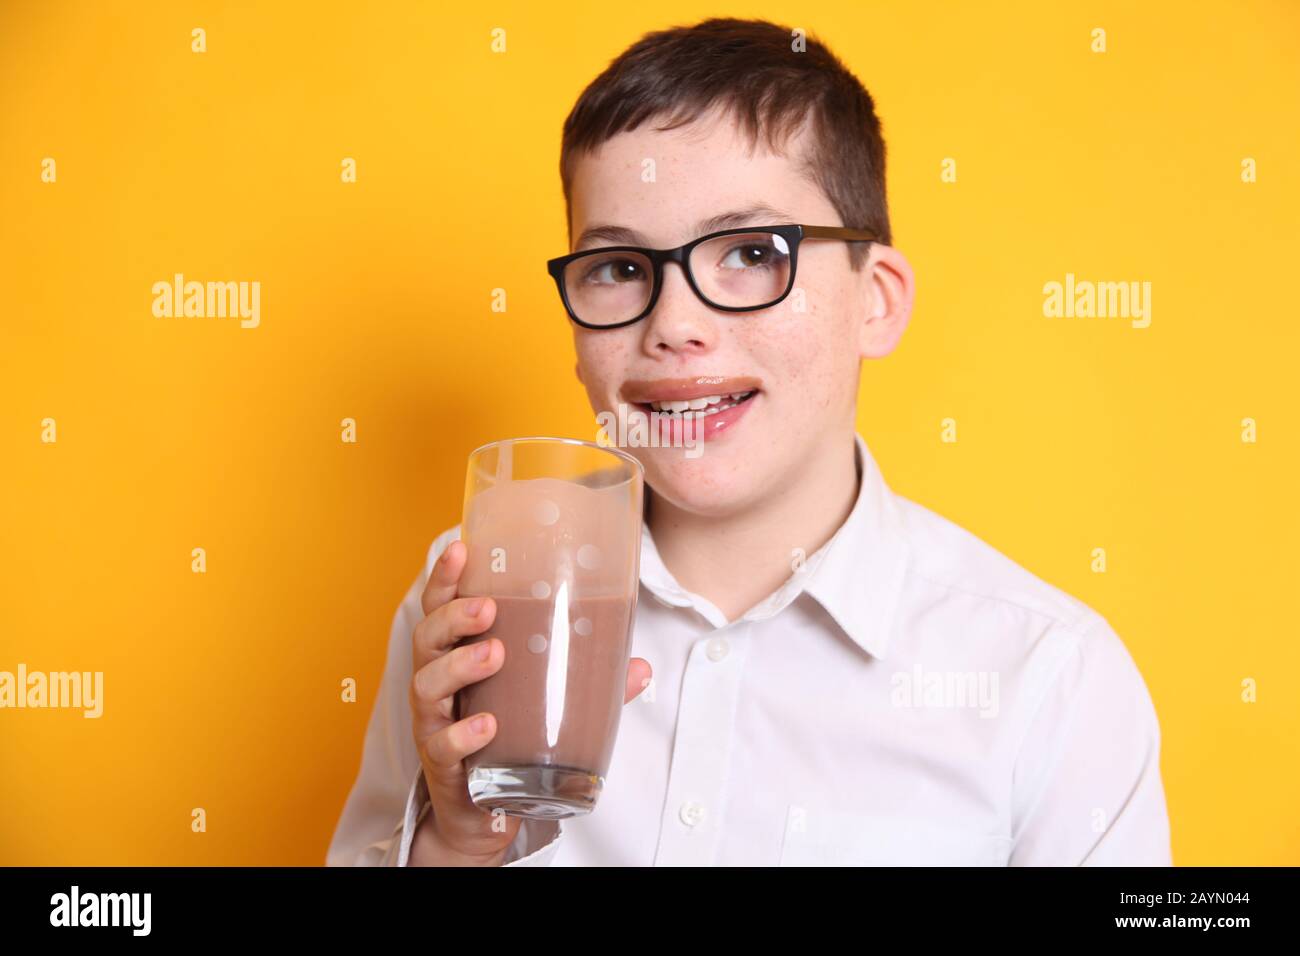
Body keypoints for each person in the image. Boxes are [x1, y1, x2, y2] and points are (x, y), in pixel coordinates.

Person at [327, 16, 1172, 867]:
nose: (675, 325)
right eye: (621, 270)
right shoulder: (474, 604)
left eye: (752, 253)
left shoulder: (1051, 679)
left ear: (873, 299)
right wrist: (452, 844)